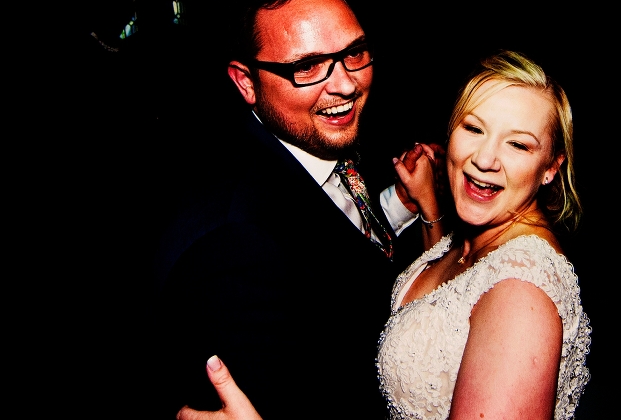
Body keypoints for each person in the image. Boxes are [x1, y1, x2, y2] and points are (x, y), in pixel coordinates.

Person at [177, 46, 591, 420]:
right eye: (474, 128)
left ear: (552, 167)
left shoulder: (521, 296)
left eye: (518, 145)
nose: (485, 158)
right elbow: (448, 297)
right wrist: (428, 207)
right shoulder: (477, 237)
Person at [160, 0, 424, 420]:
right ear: (246, 83)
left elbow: (333, 237)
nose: (345, 86)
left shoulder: (318, 143)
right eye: (307, 66)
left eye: (354, 53)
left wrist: (399, 204)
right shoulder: (237, 247)